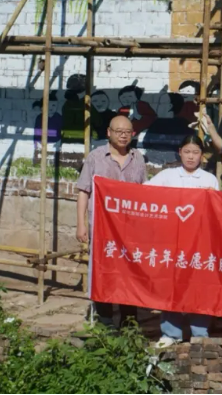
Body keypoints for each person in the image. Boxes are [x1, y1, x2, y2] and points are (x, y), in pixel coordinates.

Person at [145, 135, 219, 347]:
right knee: (172, 286)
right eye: (187, 152)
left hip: (200, 243)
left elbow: (217, 210)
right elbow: (145, 192)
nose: (191, 157)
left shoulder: (209, 179)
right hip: (172, 242)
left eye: (195, 152)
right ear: (180, 152)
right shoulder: (167, 176)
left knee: (200, 287)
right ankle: (171, 332)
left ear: (202, 155)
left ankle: (200, 332)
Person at [76, 115, 147, 328]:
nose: (123, 136)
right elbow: (83, 191)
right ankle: (104, 321)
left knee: (129, 273)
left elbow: (145, 192)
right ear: (109, 132)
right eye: (118, 131)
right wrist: (81, 224)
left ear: (133, 134)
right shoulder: (95, 157)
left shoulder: (138, 158)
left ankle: (128, 322)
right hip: (102, 227)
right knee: (104, 273)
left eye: (127, 132)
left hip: (130, 229)